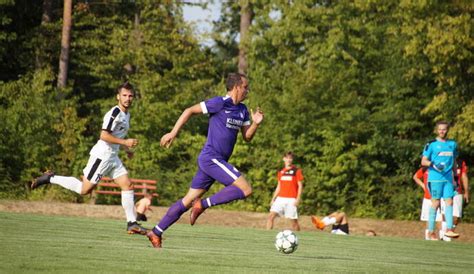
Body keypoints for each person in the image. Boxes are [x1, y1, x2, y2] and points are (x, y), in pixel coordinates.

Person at [146, 73, 264, 248]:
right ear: (237, 87)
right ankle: (203, 204)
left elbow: (247, 137)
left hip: (216, 161)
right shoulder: (219, 103)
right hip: (211, 158)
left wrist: (255, 123)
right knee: (245, 189)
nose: (248, 90)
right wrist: (173, 133)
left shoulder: (243, 110)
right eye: (246, 87)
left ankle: (156, 232)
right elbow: (189, 111)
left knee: (187, 200)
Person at [31, 82, 147, 235]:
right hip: (102, 156)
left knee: (127, 185)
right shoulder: (115, 113)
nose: (127, 98)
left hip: (113, 157)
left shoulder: (127, 114)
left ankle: (132, 223)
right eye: (124, 95)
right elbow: (104, 135)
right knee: (84, 190)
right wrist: (125, 142)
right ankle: (50, 178)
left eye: (130, 96)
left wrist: (125, 149)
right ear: (118, 97)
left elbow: (115, 135)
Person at [421, 121, 459, 240]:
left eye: (444, 129)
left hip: (448, 179)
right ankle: (431, 232)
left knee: (449, 202)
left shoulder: (452, 144)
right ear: (437, 130)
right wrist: (433, 164)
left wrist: (455, 178)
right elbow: (423, 161)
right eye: (440, 129)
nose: (442, 131)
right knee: (436, 203)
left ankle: (449, 229)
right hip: (435, 178)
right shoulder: (431, 144)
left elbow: (454, 162)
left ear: (447, 130)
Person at [266, 151, 304, 231]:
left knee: (293, 223)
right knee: (270, 216)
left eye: (290, 158)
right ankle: (266, 237)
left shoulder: (296, 171)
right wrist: (273, 199)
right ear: (284, 159)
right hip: (280, 199)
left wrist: (298, 199)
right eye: (287, 158)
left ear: (292, 160)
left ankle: (299, 237)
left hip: (291, 199)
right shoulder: (281, 172)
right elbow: (279, 186)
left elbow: (300, 186)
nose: (289, 160)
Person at [439, 159, 469, 241]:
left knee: (456, 217)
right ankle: (445, 236)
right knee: (444, 214)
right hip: (445, 190)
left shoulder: (460, 162)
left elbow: (464, 176)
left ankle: (447, 233)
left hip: (457, 191)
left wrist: (466, 191)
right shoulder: (443, 160)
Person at [412, 167, 442, 240]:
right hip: (427, 198)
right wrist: (423, 186)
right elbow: (415, 177)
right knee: (428, 218)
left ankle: (443, 237)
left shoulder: (440, 167)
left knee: (440, 219)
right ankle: (428, 238)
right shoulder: (425, 168)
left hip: (438, 198)